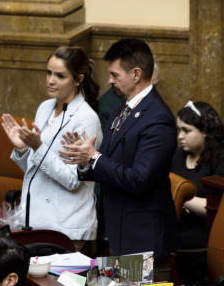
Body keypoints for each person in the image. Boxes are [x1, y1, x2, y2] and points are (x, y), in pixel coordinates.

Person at [60, 38, 177, 259]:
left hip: (143, 238)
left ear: (136, 74)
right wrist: (85, 161)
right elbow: (110, 166)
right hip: (116, 230)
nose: (109, 80)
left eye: (115, 75)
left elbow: (139, 179)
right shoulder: (121, 110)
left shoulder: (158, 119)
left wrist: (94, 156)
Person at [1, 46, 102, 245]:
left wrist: (38, 147)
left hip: (65, 227)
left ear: (78, 79)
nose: (51, 80)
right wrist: (23, 148)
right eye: (48, 73)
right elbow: (37, 169)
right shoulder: (45, 107)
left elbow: (73, 180)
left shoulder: (87, 119)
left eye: (60, 76)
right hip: (35, 221)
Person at [171, 100, 224, 285]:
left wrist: (182, 198)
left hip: (206, 248)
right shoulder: (178, 156)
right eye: (179, 130)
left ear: (205, 131)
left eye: (186, 130)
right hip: (175, 243)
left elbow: (222, 208)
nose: (180, 136)